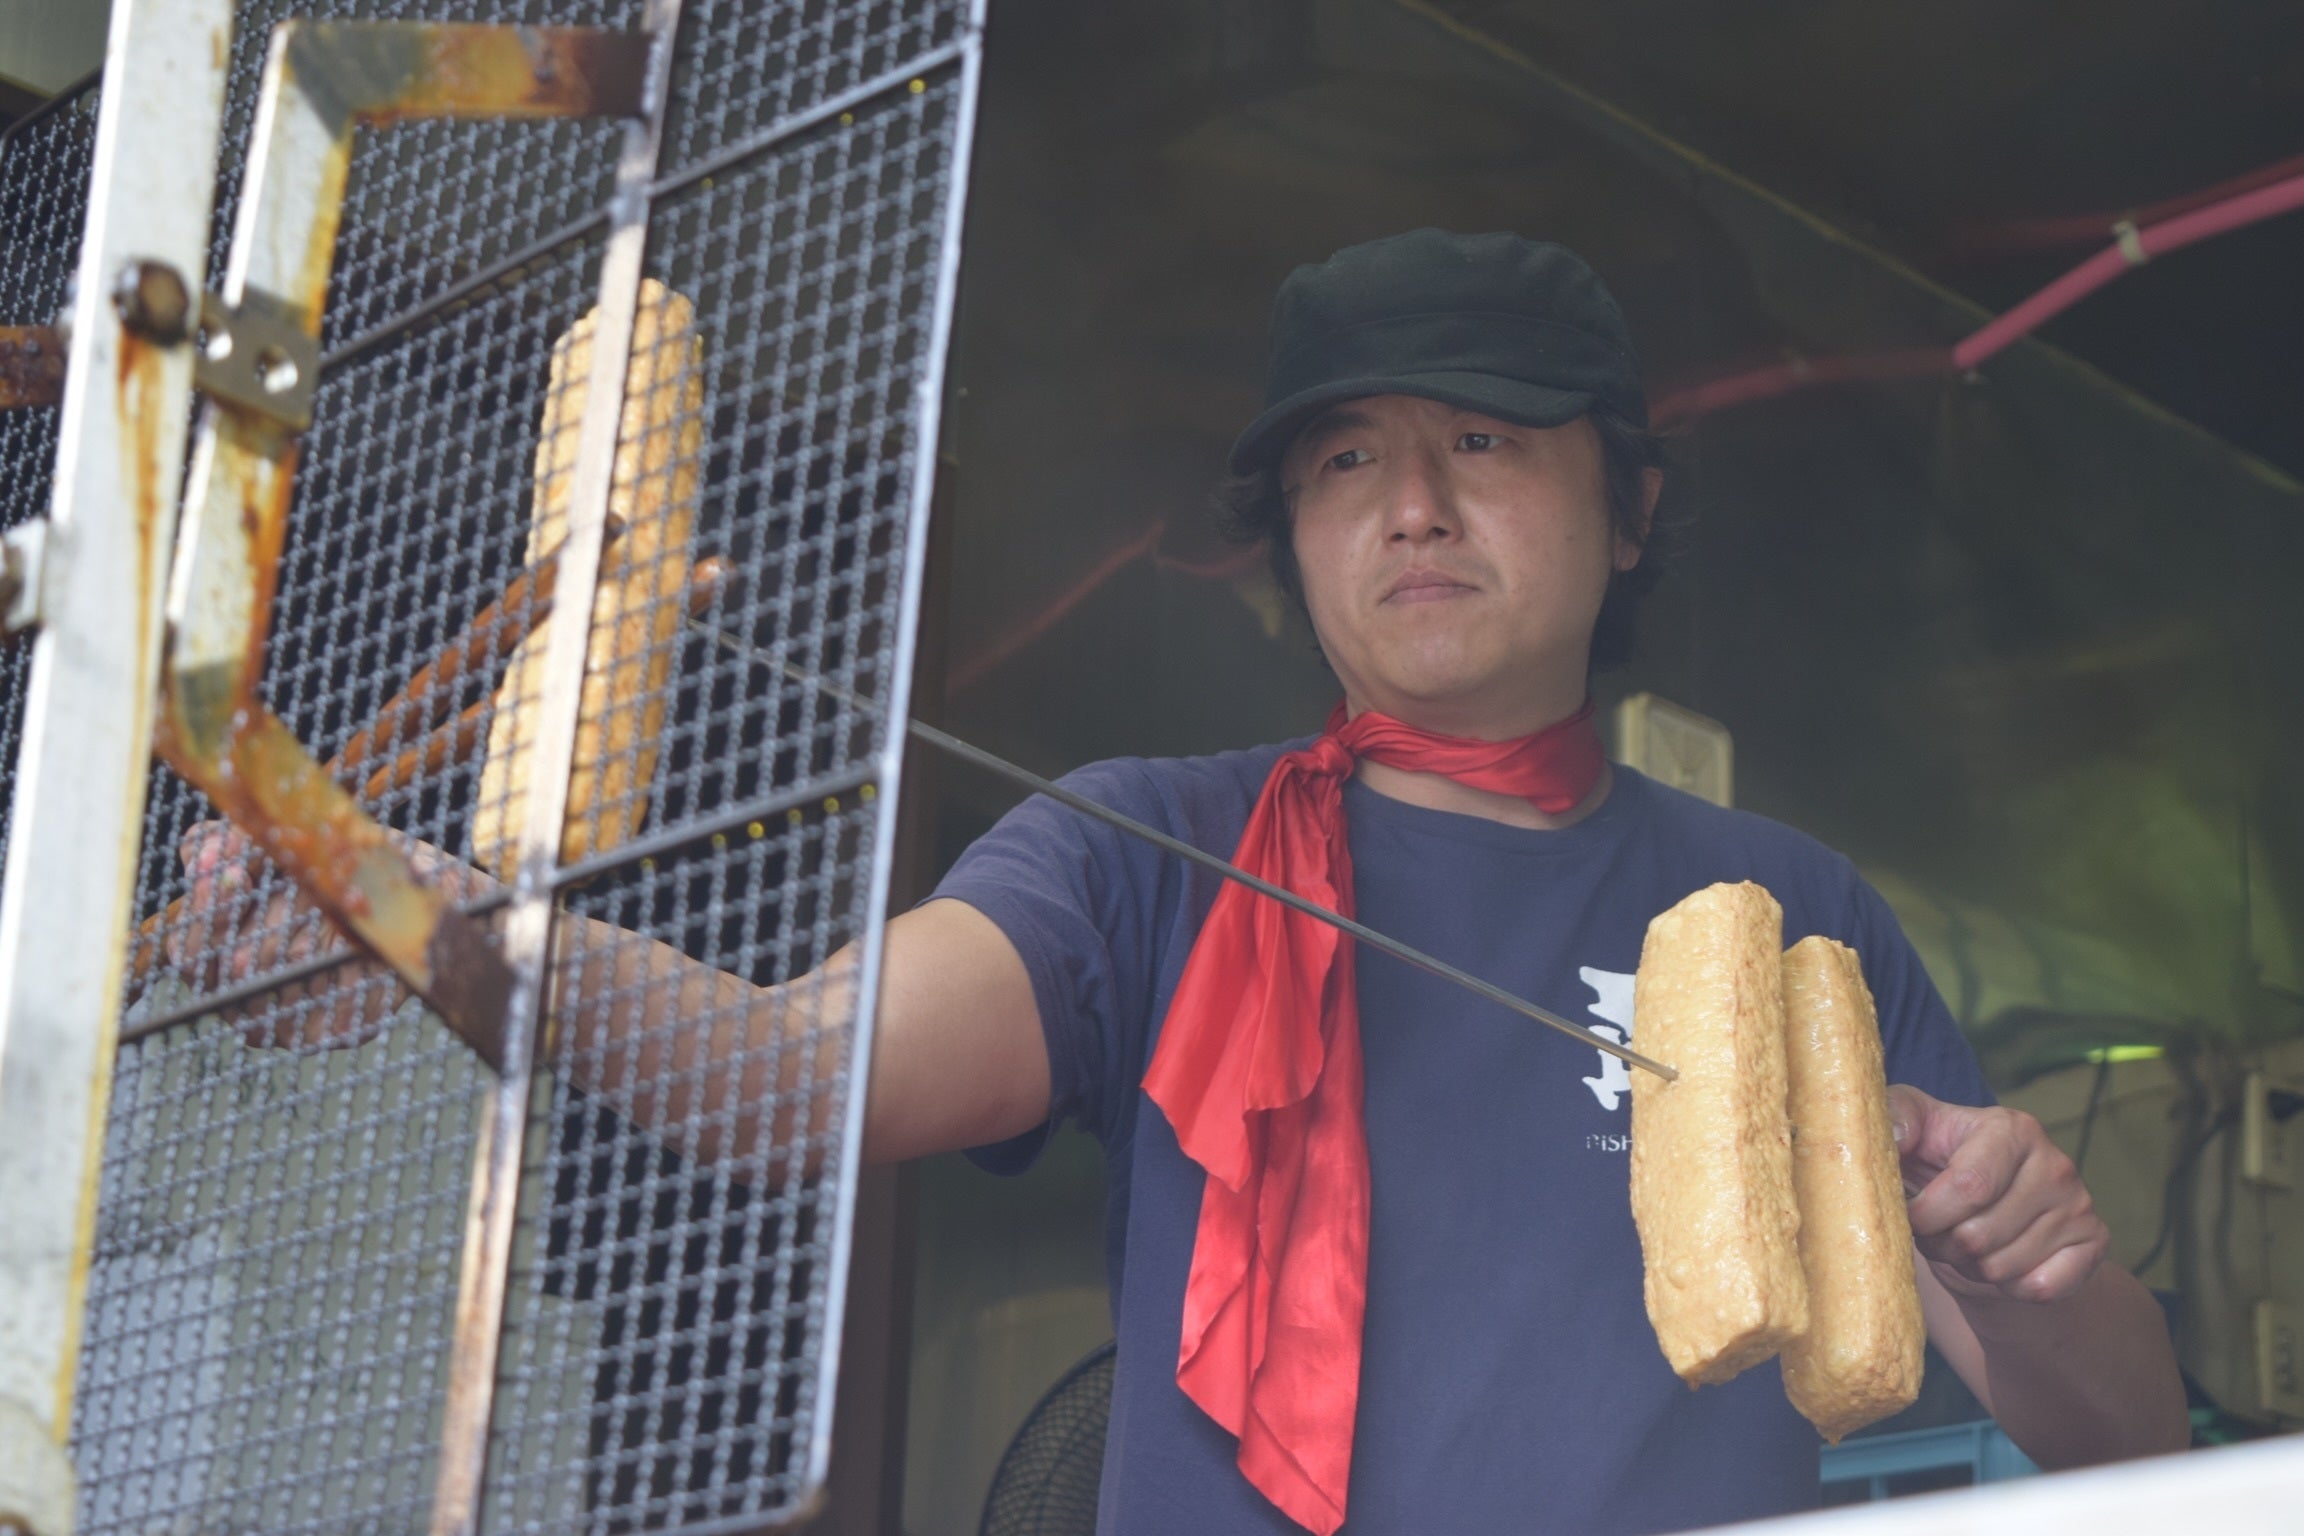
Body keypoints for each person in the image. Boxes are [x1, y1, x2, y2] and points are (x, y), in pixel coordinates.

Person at [174, 228, 2187, 1535]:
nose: (1414, 507)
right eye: (1346, 462)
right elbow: (793, 1077)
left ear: (1631, 505)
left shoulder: (1793, 914)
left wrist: (2035, 1267)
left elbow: (2119, 1446)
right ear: (1294, 533)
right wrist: (433, 913)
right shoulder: (1149, 852)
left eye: (1486, 441)